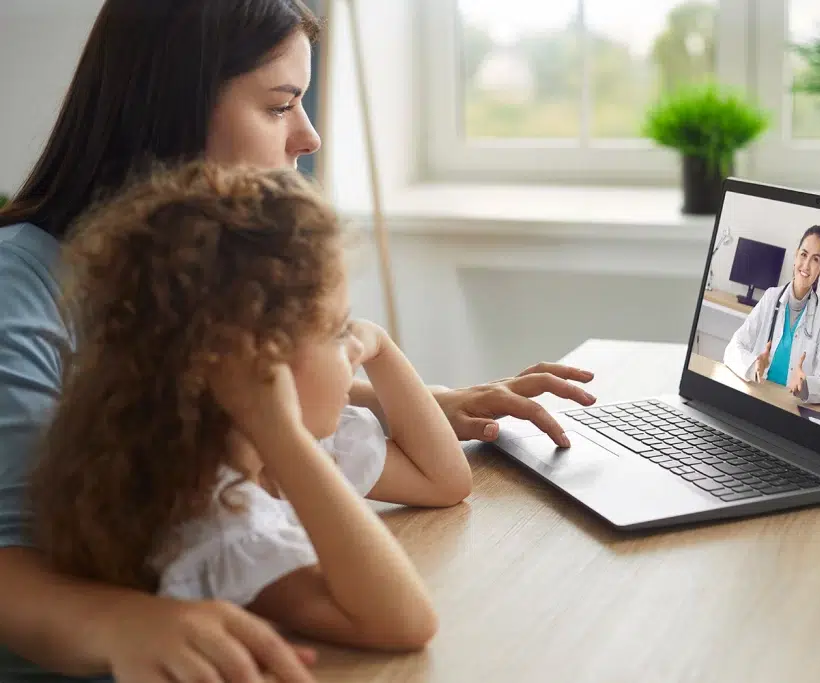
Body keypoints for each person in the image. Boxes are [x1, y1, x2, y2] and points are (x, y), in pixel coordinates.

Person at [0, 1, 595, 681]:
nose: (308, 136)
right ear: (174, 106)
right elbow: (9, 549)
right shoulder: (18, 285)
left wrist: (412, 398)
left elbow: (207, 388)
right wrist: (117, 621)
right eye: (280, 105)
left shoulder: (205, 289)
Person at [35, 160, 462, 659]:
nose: (355, 349)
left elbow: (444, 481)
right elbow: (408, 623)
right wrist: (280, 430)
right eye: (338, 330)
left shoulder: (303, 447)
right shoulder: (214, 521)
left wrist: (383, 347)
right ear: (258, 364)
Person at [723, 225, 820, 405]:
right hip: (757, 395)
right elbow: (732, 348)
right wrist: (754, 364)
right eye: (803, 254)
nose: (806, 265)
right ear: (796, 256)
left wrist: (806, 385)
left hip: (789, 407)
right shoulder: (771, 297)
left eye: (815, 259)